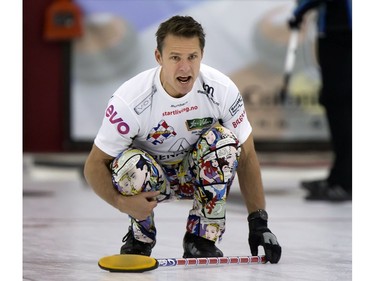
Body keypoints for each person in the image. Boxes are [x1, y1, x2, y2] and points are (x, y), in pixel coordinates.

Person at [84, 15, 281, 263]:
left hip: (196, 176)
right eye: (175, 57)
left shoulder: (222, 89)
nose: (185, 68)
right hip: (151, 181)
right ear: (159, 57)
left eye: (192, 57)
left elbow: (248, 155)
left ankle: (201, 239)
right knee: (128, 163)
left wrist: (258, 222)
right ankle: (141, 235)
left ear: (202, 55)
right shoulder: (129, 100)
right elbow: (93, 164)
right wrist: (121, 202)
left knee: (225, 142)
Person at [288, 0, 352, 201]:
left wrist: (300, 11)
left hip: (342, 32)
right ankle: (338, 177)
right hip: (336, 30)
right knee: (336, 103)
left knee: (342, 105)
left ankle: (346, 181)